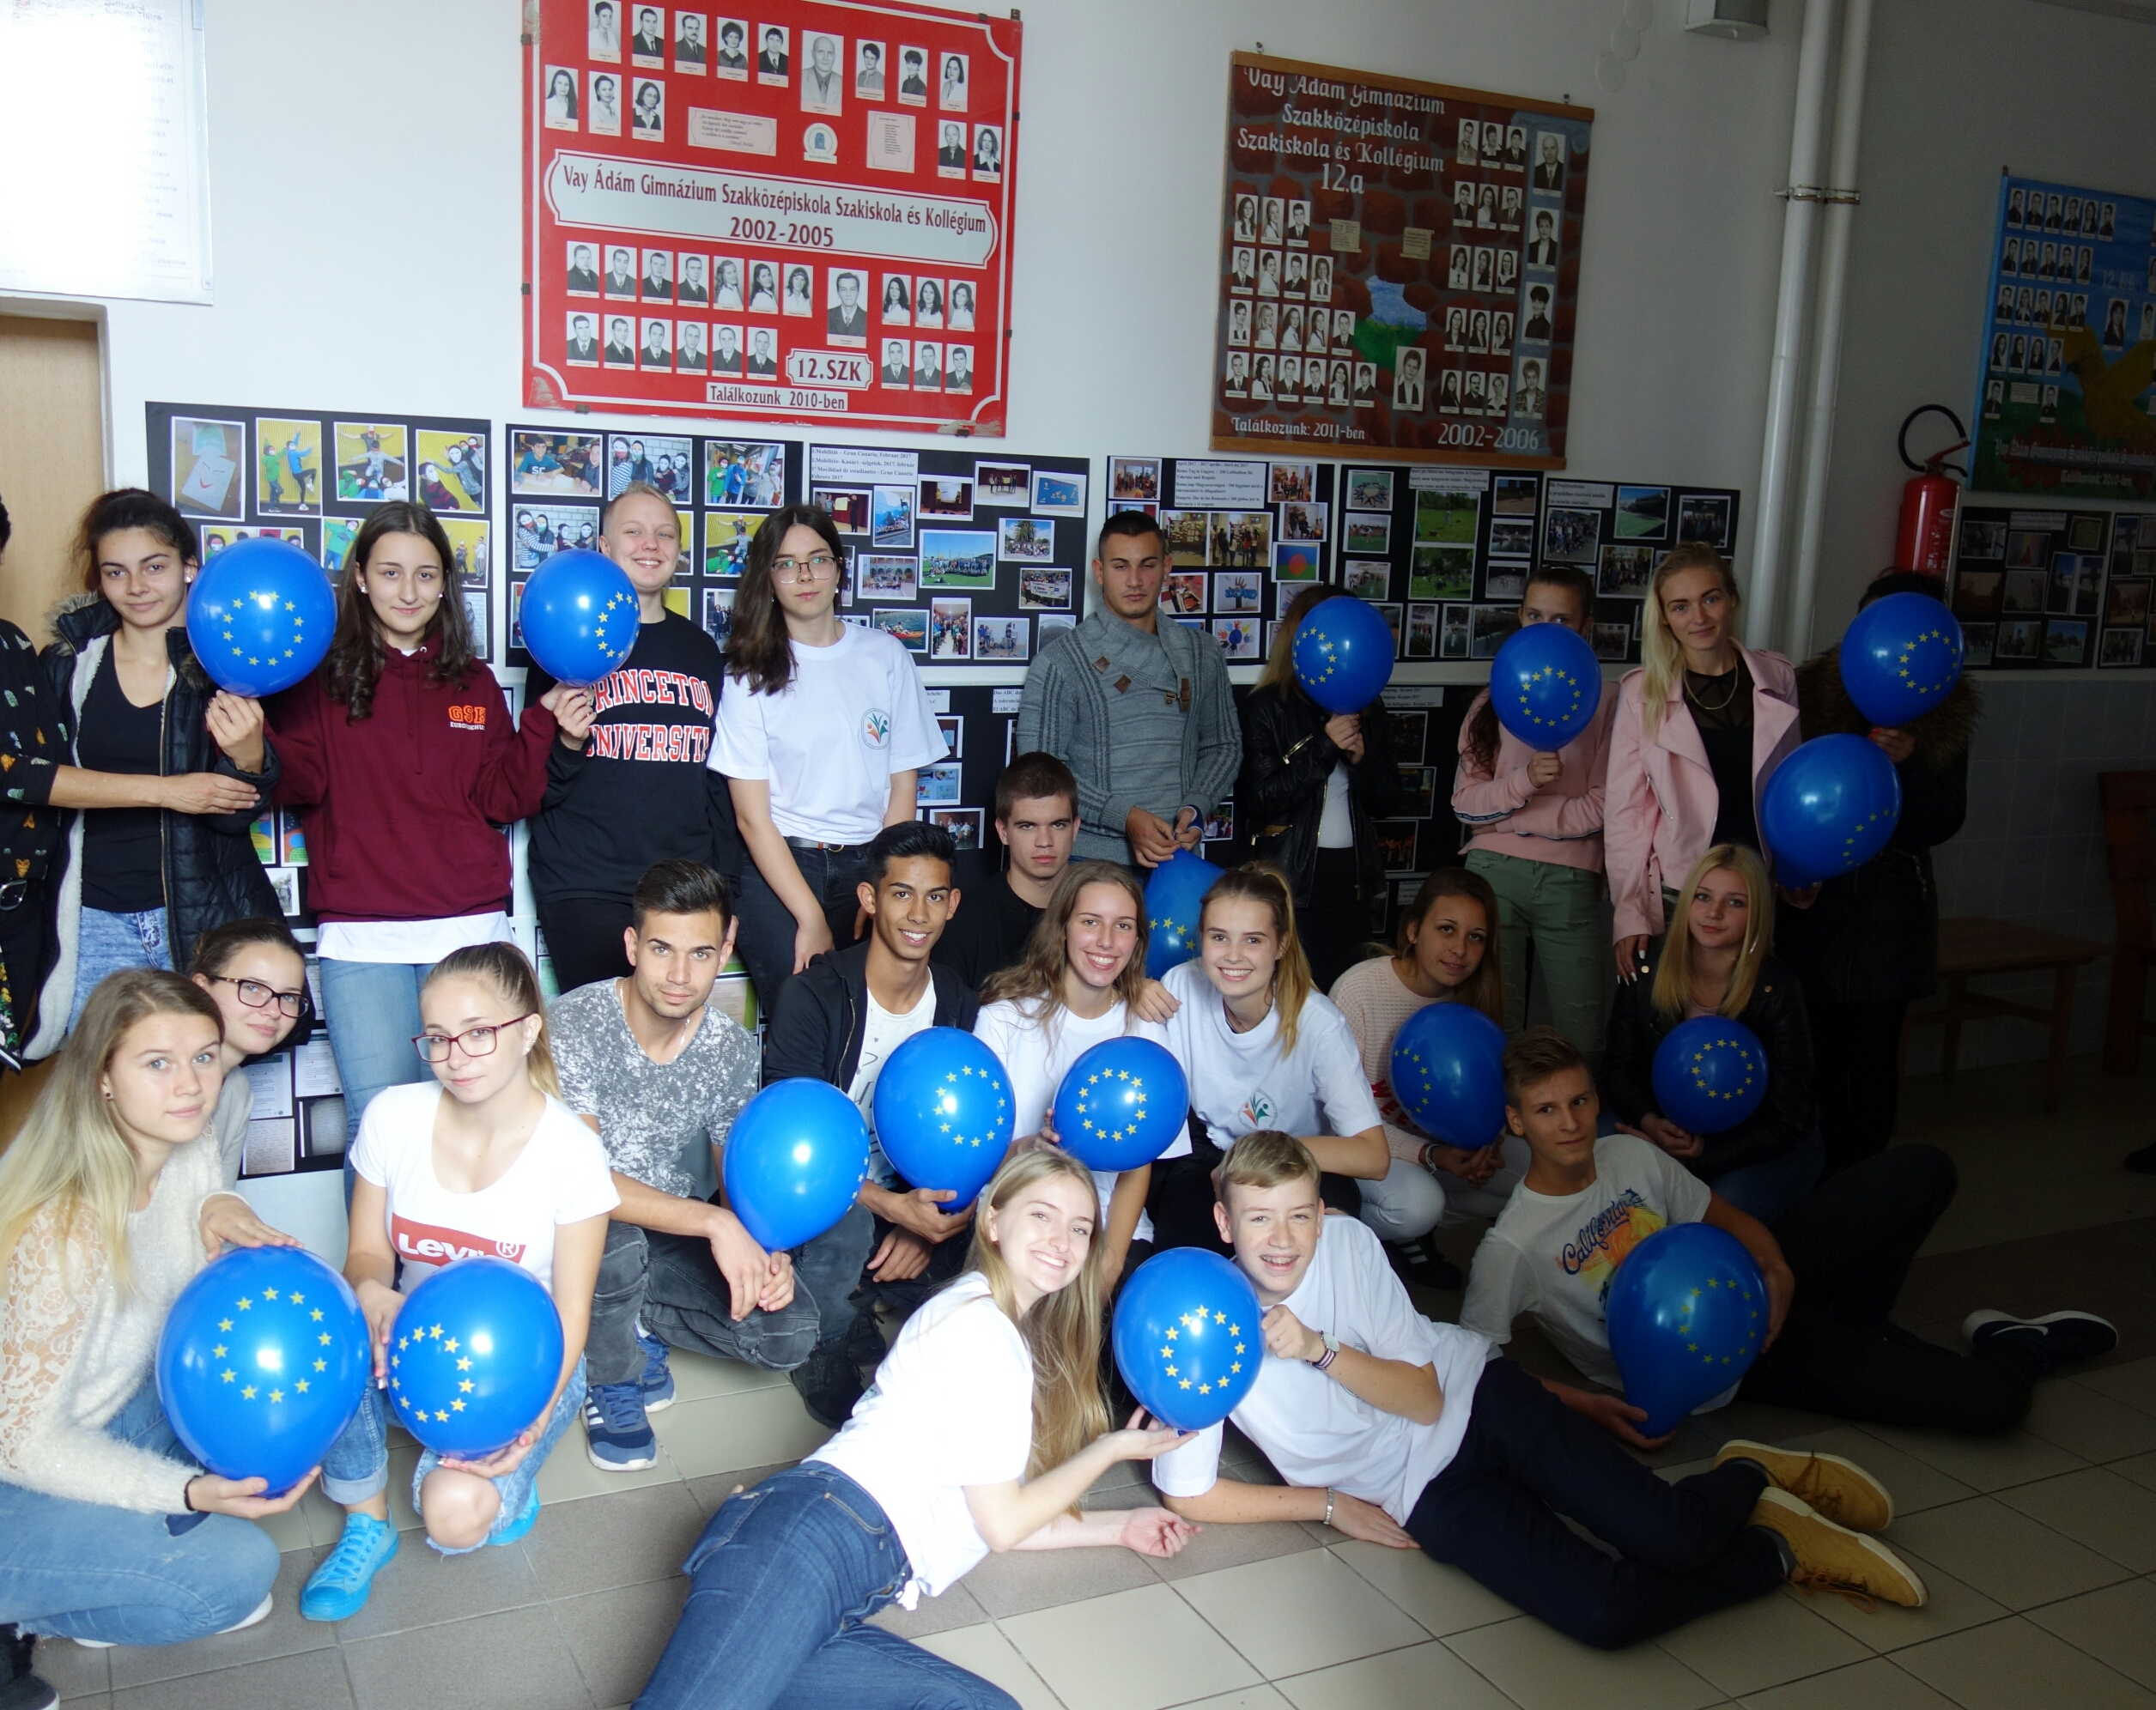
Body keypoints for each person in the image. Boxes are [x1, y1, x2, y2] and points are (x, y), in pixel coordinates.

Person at [1149, 1129, 1928, 1652]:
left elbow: (1424, 1399)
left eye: (1298, 1216)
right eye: (1259, 1219)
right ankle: (1777, 1550)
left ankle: (1747, 1475)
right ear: (1224, 1222)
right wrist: (1324, 1504)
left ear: (1322, 1215)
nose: (1282, 1240)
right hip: (1421, 1494)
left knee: (1671, 1537)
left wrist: (1318, 1351)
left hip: (1477, 1399)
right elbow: (1188, 1492)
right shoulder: (1197, 1323)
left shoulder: (1347, 1245)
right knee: (1605, 1615)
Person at [634, 1149, 1196, 1710]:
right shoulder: (983, 1331)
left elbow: (990, 1511)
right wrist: (1111, 1449)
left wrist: (1120, 1526)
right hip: (806, 1545)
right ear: (993, 1221)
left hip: (829, 1569)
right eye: (1041, 1215)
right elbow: (1003, 1524)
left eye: (1079, 1228)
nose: (1061, 1240)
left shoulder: (992, 1325)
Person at [1467, 1028, 2117, 1443]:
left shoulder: (1629, 1154)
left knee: (1925, 1168)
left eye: (1580, 1101)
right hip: (1736, 1359)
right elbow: (1474, 1369)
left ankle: (1861, 1316)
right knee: (1993, 1402)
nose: (1570, 1123)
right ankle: (2019, 1342)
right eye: (1546, 1110)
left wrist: (1776, 1269)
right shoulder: (1513, 1245)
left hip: (1753, 1287)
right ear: (1516, 1122)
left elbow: (1732, 1222)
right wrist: (1589, 1405)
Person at [0, 973, 317, 1704]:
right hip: (15, 1459)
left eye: (204, 1057)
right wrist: (183, 1491)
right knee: (230, 1579)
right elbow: (20, 1444)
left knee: (252, 1421)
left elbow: (201, 1188)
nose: (191, 1085)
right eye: (157, 1063)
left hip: (99, 1410)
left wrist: (222, 1203)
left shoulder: (185, 1140)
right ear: (103, 1077)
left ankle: (77, 1564)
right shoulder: (65, 1226)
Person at [296, 945, 613, 1620]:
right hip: (409, 1348)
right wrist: (372, 1293)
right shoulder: (393, 1116)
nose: (455, 1057)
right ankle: (366, 1522)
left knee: (453, 1516)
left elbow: (571, 1312)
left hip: (525, 1366)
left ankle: (506, 1490)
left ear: (528, 1030)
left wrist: (530, 1417)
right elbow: (365, 1254)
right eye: (438, 1038)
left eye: (478, 1033)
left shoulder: (573, 1152)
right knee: (325, 1325)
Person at [269, 502, 592, 1148]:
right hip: (363, 939)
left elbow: (501, 799)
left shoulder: (473, 683)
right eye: (390, 573)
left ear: (445, 582)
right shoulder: (319, 680)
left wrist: (549, 731)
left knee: (474, 1123)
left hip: (468, 930)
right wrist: (253, 750)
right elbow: (298, 784)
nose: (409, 591)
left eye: (425, 574)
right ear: (360, 578)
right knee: (380, 1129)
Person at [552, 860, 816, 1470]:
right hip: (577, 1233)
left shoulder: (731, 1048)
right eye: (661, 950)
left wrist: (763, 1245)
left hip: (669, 1232)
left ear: (726, 948)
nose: (679, 975)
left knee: (789, 1333)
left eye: (700, 953)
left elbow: (735, 1179)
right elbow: (583, 1184)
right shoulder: (573, 1023)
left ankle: (629, 1321)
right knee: (613, 1241)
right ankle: (611, 1375)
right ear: (632, 946)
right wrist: (716, 1225)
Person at [29, 491, 283, 1059]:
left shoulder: (225, 660)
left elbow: (232, 818)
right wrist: (170, 793)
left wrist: (248, 756)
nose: (137, 587)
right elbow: (38, 782)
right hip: (91, 915)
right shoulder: (68, 663)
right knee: (105, 1079)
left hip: (195, 911)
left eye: (154, 566)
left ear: (190, 567)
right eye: (116, 572)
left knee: (203, 1078)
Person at [762, 822, 979, 1426]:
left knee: (1001, 1216)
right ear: (869, 898)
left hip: (906, 1195)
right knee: (846, 1225)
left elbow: (966, 1134)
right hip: (824, 1192)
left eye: (935, 896)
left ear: (952, 904)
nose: (919, 914)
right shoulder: (814, 995)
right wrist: (891, 1210)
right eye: (901, 893)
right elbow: (787, 1146)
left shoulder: (958, 1001)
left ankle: (869, 1288)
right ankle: (825, 1337)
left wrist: (925, 1222)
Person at [710, 504, 941, 1015]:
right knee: (802, 1014)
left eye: (818, 559)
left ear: (839, 569)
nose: (805, 575)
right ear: (768, 579)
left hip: (869, 860)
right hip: (783, 866)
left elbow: (902, 786)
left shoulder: (885, 656)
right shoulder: (746, 673)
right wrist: (810, 917)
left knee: (868, 1011)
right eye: (786, 564)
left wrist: (885, 884)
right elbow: (752, 818)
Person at [1781, 573, 1976, 1175]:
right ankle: (1806, 1185)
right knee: (1805, 1053)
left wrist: (1907, 767)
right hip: (1810, 903)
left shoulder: (1942, 708)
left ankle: (1861, 1189)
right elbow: (1783, 793)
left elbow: (1943, 819)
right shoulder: (1807, 691)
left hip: (1890, 913)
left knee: (1869, 1063)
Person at [526, 485, 738, 994]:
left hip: (682, 887)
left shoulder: (700, 650)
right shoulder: (565, 639)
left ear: (678, 550)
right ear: (604, 545)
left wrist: (726, 889)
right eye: (633, 531)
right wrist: (567, 743)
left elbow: (715, 783)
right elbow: (533, 786)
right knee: (602, 1033)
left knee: (673, 1033)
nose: (650, 544)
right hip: (585, 884)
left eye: (664, 534)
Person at [1141, 864, 1388, 1252]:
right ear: (1200, 938)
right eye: (1219, 937)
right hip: (1212, 1158)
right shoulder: (1179, 986)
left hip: (1296, 1163)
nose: (1233, 955)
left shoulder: (1318, 1023)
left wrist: (1252, 1154)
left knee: (1316, 1252)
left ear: (1282, 945)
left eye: (1253, 940)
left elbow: (1374, 1155)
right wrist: (1132, 990)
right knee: (1185, 1261)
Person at [1606, 543, 1801, 979]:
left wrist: (1799, 870)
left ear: (1732, 598)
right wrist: (1630, 911)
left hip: (1754, 888)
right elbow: (1626, 814)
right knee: (1670, 1012)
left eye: (1710, 599)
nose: (1698, 617)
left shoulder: (1778, 677)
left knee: (1748, 1010)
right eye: (1680, 606)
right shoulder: (1642, 692)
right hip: (1681, 889)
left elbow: (1792, 789)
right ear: (1664, 618)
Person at [1603, 844, 1823, 1222]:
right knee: (1593, 1150)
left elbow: (1788, 1120)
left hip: (1759, 1144)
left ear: (1756, 913)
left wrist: (1698, 1156)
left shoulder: (1778, 988)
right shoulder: (1647, 968)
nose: (1714, 913)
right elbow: (1616, 1068)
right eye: (1703, 897)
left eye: (1735, 902)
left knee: (1719, 1210)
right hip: (1665, 1129)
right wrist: (1650, 1122)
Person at [975, 862, 1170, 1286]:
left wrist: (1108, 1268)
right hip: (1014, 1222)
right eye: (1090, 922)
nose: (1106, 941)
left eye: (1123, 926)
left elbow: (1138, 1166)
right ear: (1062, 928)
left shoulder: (1146, 1030)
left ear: (1138, 940)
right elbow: (978, 1157)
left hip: (1107, 1232)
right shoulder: (1003, 1019)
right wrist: (1029, 1148)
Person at [1330, 870, 1528, 1287]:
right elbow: (1339, 1123)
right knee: (1417, 1206)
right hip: (1363, 1151)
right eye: (1446, 929)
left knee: (1538, 1172)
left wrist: (1485, 1147)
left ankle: (1420, 1226)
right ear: (1413, 930)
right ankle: (1357, 1229)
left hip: (1436, 1150)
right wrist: (1430, 1155)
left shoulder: (1473, 999)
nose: (1460, 949)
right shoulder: (1359, 991)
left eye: (1476, 937)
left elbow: (1485, 1095)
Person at [1452, 564, 1619, 1055]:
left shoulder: (1611, 701)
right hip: (1493, 874)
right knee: (1493, 1023)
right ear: (1520, 617)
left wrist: (1510, 820)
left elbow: (1603, 807)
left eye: (1562, 620)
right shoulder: (1493, 699)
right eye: (1534, 615)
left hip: (1570, 882)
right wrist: (1524, 782)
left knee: (1580, 1031)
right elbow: (1465, 803)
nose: (1546, 629)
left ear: (1586, 626)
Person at [1016, 514, 1240, 869]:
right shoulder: (1059, 662)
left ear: (1166, 567)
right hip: (1092, 865)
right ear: (1100, 571)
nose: (1135, 580)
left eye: (1147, 565)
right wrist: (1125, 816)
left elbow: (1223, 745)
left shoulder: (1203, 653)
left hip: (1179, 862)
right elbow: (1040, 773)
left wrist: (1196, 806)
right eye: (1121, 566)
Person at [1236, 585, 1401, 992]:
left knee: (1344, 990)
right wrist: (1325, 749)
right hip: (1290, 877)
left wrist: (1361, 761)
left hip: (1353, 878)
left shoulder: (1370, 707)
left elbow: (1389, 802)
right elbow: (1260, 798)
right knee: (1287, 992)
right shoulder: (1268, 706)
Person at [932, 752, 1078, 991]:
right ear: (1003, 832)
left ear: (1075, 828)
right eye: (1027, 826)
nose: (1045, 841)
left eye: (1058, 824)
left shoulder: (1101, 914)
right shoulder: (963, 922)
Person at [190, 916, 311, 1175]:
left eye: (288, 997)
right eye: (253, 988)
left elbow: (217, 1193)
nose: (273, 1011)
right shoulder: (153, 1079)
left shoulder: (237, 1091)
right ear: (202, 987)